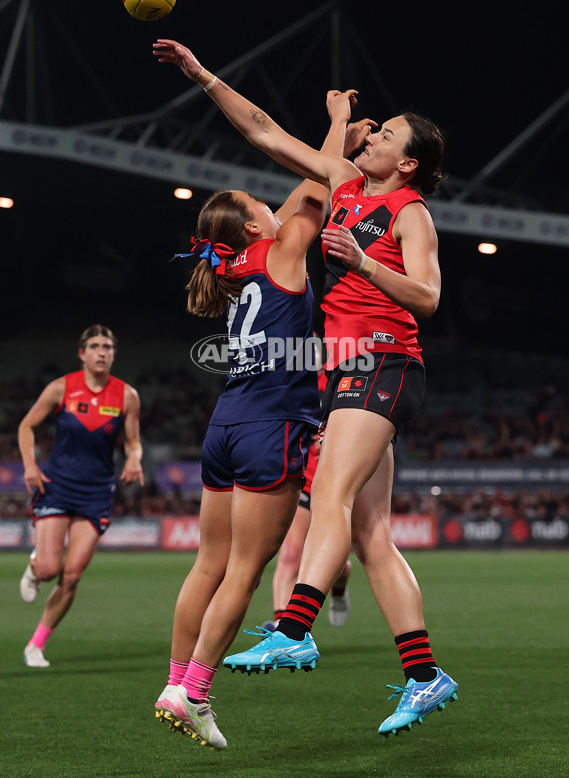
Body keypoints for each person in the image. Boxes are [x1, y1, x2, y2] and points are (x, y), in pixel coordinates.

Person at [153, 39, 458, 739]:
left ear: (406, 163)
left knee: (331, 498)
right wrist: (202, 75)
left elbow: (431, 298)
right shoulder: (343, 186)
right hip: (342, 371)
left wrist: (365, 266)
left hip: (382, 358)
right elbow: (262, 129)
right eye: (373, 131)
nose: (371, 136)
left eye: (384, 135)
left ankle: (294, 626)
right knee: (372, 533)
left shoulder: (410, 212)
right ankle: (423, 674)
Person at [151, 89, 372, 750]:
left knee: (208, 563)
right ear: (254, 226)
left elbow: (293, 200)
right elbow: (316, 185)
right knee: (246, 570)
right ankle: (194, 689)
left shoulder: (239, 261)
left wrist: (338, 130)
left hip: (226, 420)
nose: (267, 205)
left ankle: (173, 681)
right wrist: (337, 124)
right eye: (257, 205)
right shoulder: (280, 251)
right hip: (271, 425)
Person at [17, 325, 144, 668]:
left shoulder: (127, 395)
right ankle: (34, 566)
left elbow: (133, 441)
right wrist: (29, 465)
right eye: (95, 346)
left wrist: (134, 458)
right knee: (48, 569)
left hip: (97, 491)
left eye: (107, 346)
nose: (102, 352)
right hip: (57, 485)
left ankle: (36, 645)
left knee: (71, 576)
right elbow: (26, 426)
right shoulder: (61, 388)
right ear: (82, 353)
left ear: (114, 354)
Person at [262, 373, 352, 632]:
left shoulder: (340, 375)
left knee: (336, 562)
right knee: (291, 554)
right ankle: (281, 624)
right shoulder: (286, 379)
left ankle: (339, 589)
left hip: (336, 482)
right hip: (302, 479)